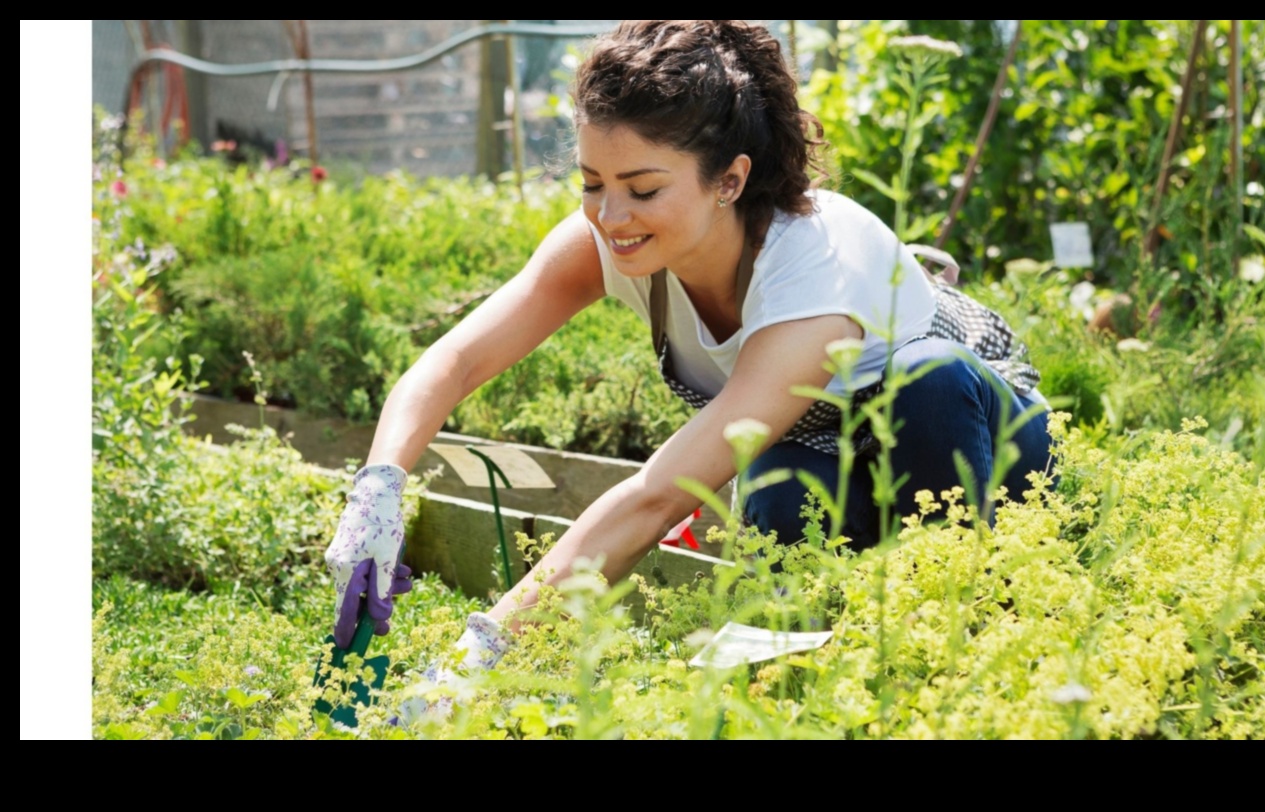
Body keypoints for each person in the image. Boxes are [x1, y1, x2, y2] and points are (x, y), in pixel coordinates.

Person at [324, 20, 1053, 720]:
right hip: (821, 448)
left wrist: (482, 652)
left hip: (982, 439)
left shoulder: (812, 268)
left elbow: (655, 496)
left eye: (643, 189)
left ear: (729, 180)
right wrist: (378, 491)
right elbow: (455, 359)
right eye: (591, 182)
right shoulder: (609, 239)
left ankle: (978, 639)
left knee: (926, 382)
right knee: (779, 519)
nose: (611, 217)